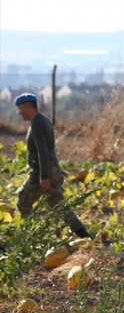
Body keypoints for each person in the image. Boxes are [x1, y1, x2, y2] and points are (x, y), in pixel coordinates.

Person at [14, 93, 92, 238]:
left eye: (20, 108)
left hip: (43, 171)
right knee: (60, 207)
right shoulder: (43, 121)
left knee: (23, 202)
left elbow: (42, 151)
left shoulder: (37, 124)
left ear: (28, 106)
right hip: (52, 168)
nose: (18, 112)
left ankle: (33, 237)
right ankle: (84, 235)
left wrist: (43, 177)